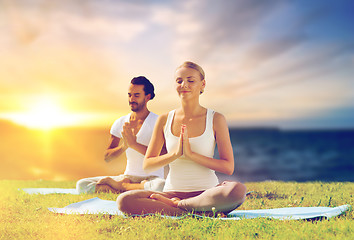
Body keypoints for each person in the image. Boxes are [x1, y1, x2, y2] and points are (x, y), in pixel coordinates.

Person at [117, 61, 247, 216]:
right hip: (171, 192)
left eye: (190, 81)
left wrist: (191, 155)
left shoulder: (216, 118)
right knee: (124, 201)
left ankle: (180, 206)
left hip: (206, 194)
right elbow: (148, 164)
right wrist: (175, 154)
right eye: (179, 81)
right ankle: (196, 213)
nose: (184, 84)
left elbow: (228, 167)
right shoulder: (165, 119)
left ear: (202, 85)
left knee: (238, 191)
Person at [76, 76, 165, 194]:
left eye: (136, 95)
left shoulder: (159, 122)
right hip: (128, 177)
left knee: (161, 186)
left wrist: (134, 144)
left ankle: (121, 187)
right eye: (129, 95)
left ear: (147, 97)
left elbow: (164, 154)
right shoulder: (120, 122)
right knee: (81, 185)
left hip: (152, 179)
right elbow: (107, 157)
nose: (131, 99)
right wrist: (125, 146)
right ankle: (128, 187)